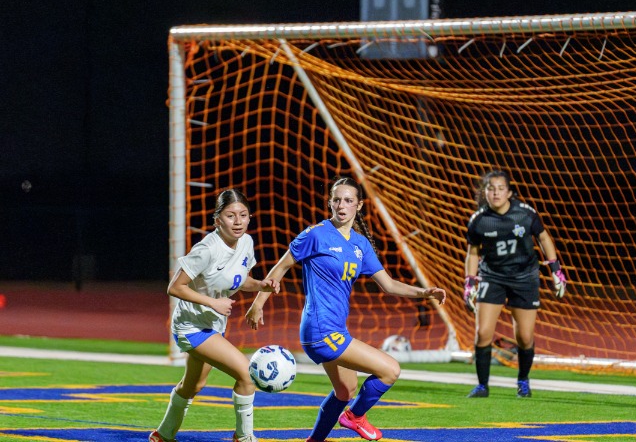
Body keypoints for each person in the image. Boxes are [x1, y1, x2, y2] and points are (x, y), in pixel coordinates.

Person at [245, 176, 446, 442]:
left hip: (336, 329)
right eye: (337, 200)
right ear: (330, 203)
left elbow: (388, 285)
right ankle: (354, 417)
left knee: (346, 391)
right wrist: (258, 304)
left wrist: (424, 293)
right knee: (390, 370)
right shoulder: (316, 234)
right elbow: (280, 267)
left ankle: (315, 440)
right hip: (320, 330)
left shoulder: (360, 245)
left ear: (359, 205)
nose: (341, 205)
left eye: (348, 200)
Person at [149, 189, 279, 442]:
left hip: (213, 325)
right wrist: (213, 303)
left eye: (243, 215)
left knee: (192, 386)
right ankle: (244, 437)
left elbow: (240, 280)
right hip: (191, 327)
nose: (238, 221)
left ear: (250, 217)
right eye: (231, 215)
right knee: (247, 375)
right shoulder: (207, 249)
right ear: (217, 220)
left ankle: (162, 435)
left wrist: (261, 285)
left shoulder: (246, 243)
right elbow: (175, 287)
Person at [463, 170, 567, 399]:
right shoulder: (479, 220)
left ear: (509, 192)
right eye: (491, 189)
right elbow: (473, 253)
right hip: (492, 277)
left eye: (501, 189)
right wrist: (470, 282)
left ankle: (523, 381)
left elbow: (544, 238)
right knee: (483, 333)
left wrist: (555, 270)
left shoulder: (525, 214)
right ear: (485, 193)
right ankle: (482, 386)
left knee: (525, 337)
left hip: (524, 278)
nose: (496, 193)